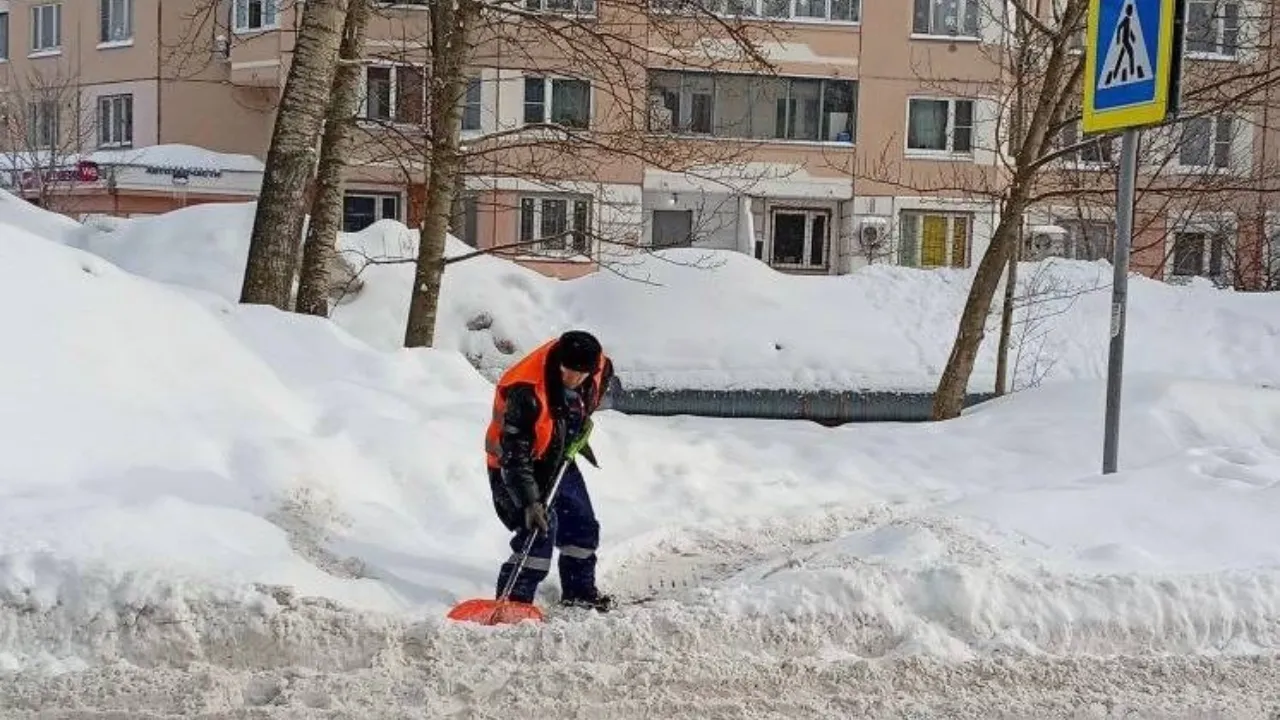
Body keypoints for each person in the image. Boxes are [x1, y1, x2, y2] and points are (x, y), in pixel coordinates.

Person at [484, 330, 616, 612]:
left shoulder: (599, 366)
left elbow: (591, 392)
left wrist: (578, 424)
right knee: (539, 530)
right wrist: (530, 502)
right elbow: (514, 456)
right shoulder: (526, 392)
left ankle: (579, 593)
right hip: (514, 463)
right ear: (559, 363)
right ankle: (513, 605)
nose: (574, 379)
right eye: (569, 371)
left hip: (557, 455)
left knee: (582, 524)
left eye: (582, 374)